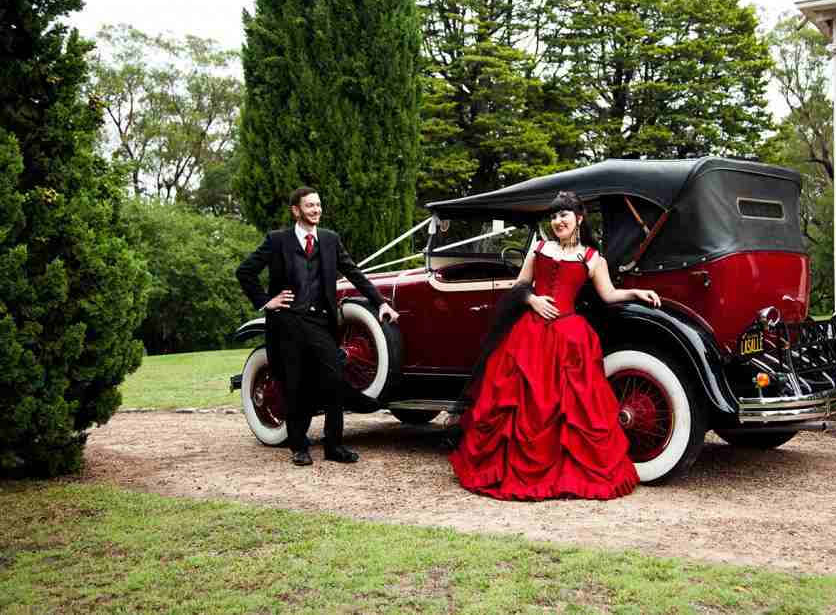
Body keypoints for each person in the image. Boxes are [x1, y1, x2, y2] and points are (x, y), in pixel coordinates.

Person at [449, 191, 659, 500]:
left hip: (569, 338)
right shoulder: (540, 248)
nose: (558, 220)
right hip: (530, 336)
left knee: (572, 408)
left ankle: (563, 473)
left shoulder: (592, 258)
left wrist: (636, 293)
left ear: (579, 218)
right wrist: (532, 299)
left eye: (564, 215)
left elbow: (609, 295)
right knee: (518, 400)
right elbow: (518, 287)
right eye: (554, 215)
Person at [236, 187, 399, 466]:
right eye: (310, 206)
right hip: (288, 322)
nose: (316, 210)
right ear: (296, 210)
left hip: (320, 321)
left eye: (318, 205)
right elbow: (245, 271)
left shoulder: (329, 240)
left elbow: (353, 272)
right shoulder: (277, 241)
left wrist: (380, 302)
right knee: (295, 383)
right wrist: (266, 301)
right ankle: (299, 447)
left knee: (334, 379)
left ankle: (334, 445)